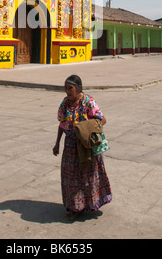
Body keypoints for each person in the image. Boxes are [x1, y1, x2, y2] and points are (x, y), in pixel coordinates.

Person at [53, 75, 112, 220]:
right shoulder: (65, 103)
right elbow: (62, 123)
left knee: (88, 175)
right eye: (65, 88)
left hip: (86, 146)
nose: (67, 91)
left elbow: (102, 119)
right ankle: (75, 207)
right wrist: (57, 143)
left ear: (79, 88)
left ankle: (90, 204)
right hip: (70, 146)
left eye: (70, 88)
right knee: (70, 177)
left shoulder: (88, 102)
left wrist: (84, 128)